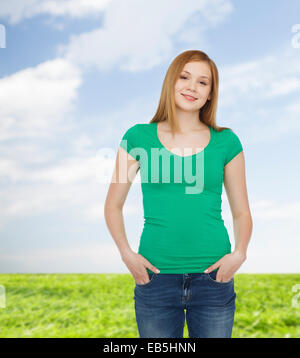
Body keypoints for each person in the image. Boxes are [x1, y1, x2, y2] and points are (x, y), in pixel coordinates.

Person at [104, 50, 253, 338]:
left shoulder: (227, 142)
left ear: (210, 93)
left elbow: (241, 210)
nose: (192, 87)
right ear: (171, 82)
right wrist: (127, 254)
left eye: (203, 82)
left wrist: (239, 254)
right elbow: (113, 205)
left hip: (214, 278)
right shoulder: (136, 138)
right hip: (155, 278)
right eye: (184, 77)